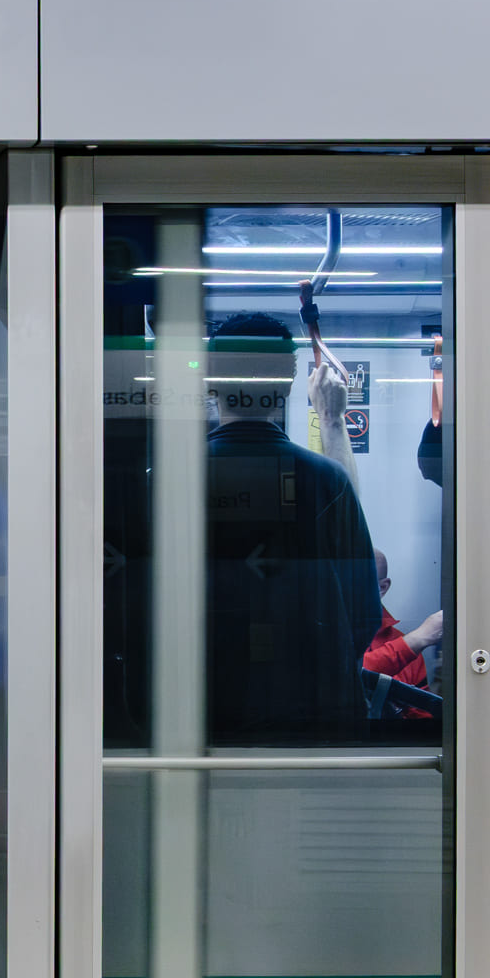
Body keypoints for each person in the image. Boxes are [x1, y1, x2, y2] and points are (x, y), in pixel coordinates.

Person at [200, 315, 382, 742]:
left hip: (199, 711)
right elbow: (362, 609)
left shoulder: (164, 479)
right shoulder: (328, 481)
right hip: (313, 715)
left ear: (210, 382)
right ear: (286, 386)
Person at [362, 551, 443, 716]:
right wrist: (417, 639)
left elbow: (423, 721)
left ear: (382, 588)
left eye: (357, 583)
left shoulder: (408, 650)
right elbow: (342, 676)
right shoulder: (321, 635)